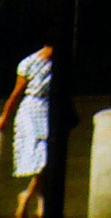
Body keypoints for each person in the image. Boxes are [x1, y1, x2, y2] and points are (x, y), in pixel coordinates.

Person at [0, 44, 53, 218]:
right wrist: (5, 116)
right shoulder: (29, 63)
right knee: (42, 158)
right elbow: (17, 93)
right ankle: (29, 198)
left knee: (47, 159)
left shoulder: (60, 63)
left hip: (50, 110)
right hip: (31, 110)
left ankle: (38, 202)